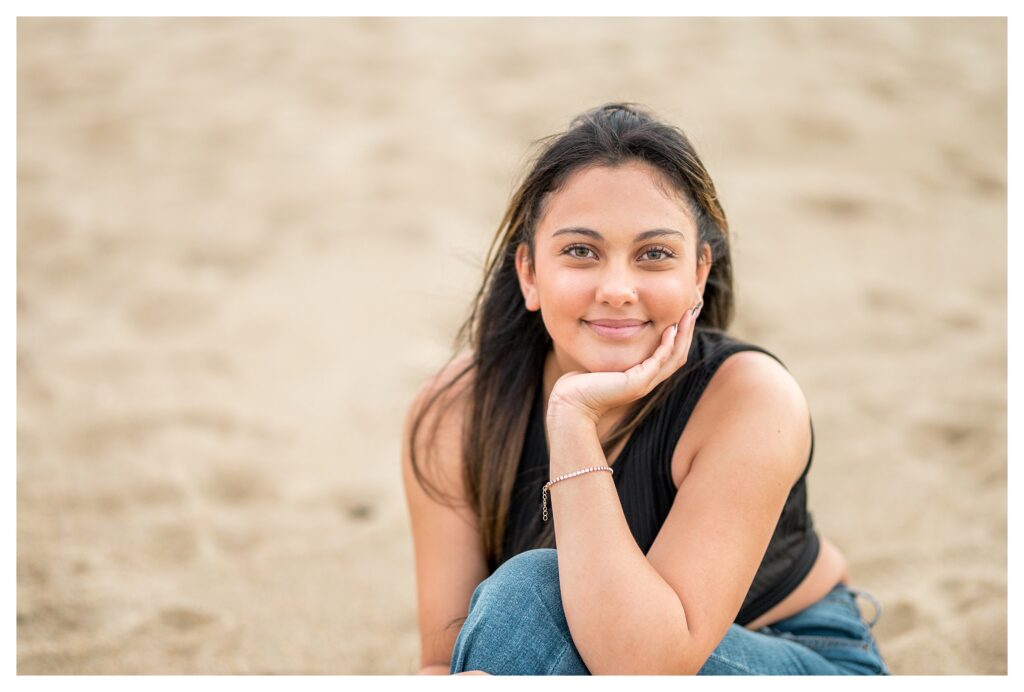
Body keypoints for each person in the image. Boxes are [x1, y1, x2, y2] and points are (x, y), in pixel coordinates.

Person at [401, 103, 890, 675]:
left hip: (790, 653)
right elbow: (444, 662)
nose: (617, 288)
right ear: (529, 273)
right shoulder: (455, 413)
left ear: (699, 274)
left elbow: (649, 666)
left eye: (654, 254)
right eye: (580, 251)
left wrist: (572, 420)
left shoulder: (750, 399)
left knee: (530, 595)